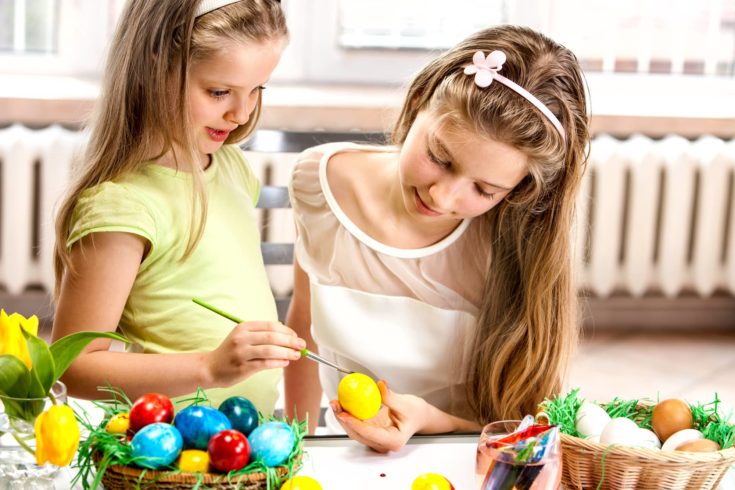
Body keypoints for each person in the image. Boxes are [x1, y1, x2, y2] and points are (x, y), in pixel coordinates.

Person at [284, 24, 590, 451]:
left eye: (484, 190)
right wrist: (299, 445)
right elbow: (304, 326)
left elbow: (523, 428)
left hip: (460, 455)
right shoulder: (318, 181)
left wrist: (430, 420)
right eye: (439, 157)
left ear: (517, 192)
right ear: (418, 102)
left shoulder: (508, 245)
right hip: (345, 456)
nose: (442, 196)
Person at [51, 0, 305, 414]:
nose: (241, 113)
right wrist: (209, 368)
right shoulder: (122, 206)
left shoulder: (229, 165)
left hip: (245, 449)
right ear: (156, 68)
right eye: (219, 91)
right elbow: (70, 367)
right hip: (164, 458)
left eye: (257, 89)